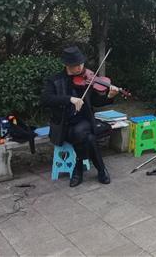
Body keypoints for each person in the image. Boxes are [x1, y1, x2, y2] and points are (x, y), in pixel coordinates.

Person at [41, 46, 119, 187]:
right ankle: (99, 169)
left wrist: (109, 96)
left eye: (81, 64)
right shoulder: (55, 80)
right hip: (63, 125)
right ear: (67, 65)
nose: (80, 67)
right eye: (76, 65)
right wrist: (70, 99)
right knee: (88, 137)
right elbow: (46, 99)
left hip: (85, 121)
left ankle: (78, 171)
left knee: (80, 131)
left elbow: (96, 102)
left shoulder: (88, 78)